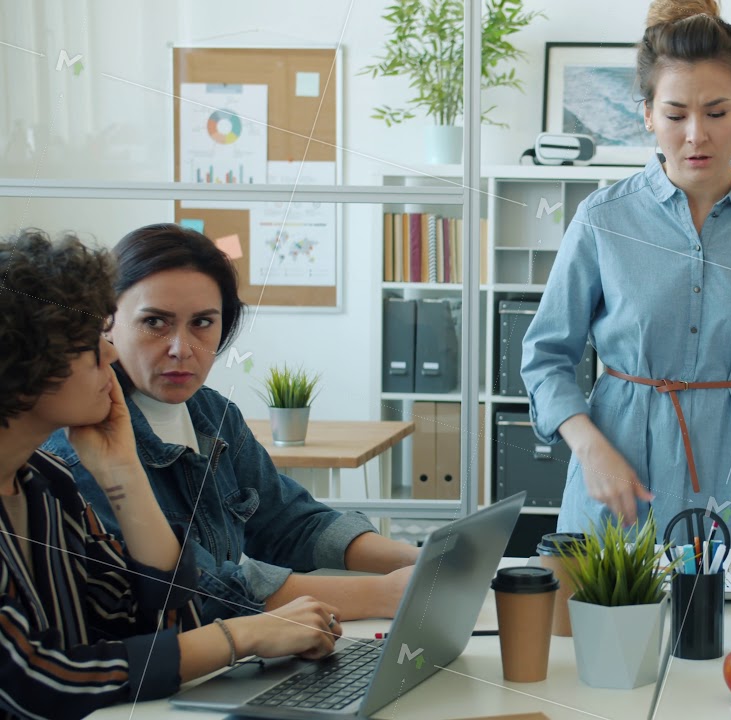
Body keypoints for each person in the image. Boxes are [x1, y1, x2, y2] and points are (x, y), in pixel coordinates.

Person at [520, 0, 731, 560]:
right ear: (646, 114)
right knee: (601, 641)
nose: (695, 136)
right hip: (616, 489)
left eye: (716, 112)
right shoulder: (601, 218)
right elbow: (544, 356)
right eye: (675, 113)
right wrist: (589, 449)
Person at [0, 230, 340, 719]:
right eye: (87, 343)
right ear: (20, 362)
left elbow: (152, 620)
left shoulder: (44, 482)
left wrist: (123, 473)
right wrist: (242, 635)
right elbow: (35, 681)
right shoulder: (57, 472)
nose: (111, 354)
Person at [42, 223, 419, 623]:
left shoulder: (213, 414)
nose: (181, 349)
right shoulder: (83, 447)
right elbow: (205, 591)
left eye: (202, 322)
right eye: (155, 322)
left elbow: (288, 521)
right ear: (106, 322)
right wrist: (384, 595)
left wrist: (422, 560)